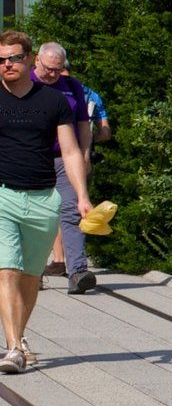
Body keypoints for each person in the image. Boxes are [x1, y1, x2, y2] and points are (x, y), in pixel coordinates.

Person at [0, 32, 95, 372]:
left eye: (13, 58)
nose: (6, 64)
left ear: (28, 59)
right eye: (1, 60)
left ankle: (19, 336)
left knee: (29, 275)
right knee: (6, 270)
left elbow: (69, 151)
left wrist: (82, 197)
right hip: (3, 195)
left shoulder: (54, 102)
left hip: (42, 196)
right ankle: (12, 348)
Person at [33, 44, 97, 294]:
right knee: (37, 215)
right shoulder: (23, 83)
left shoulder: (71, 86)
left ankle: (78, 271)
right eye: (49, 69)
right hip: (33, 158)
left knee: (72, 210)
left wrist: (84, 154)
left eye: (58, 70)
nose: (52, 74)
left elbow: (83, 124)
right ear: (36, 60)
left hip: (65, 158)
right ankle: (33, 272)